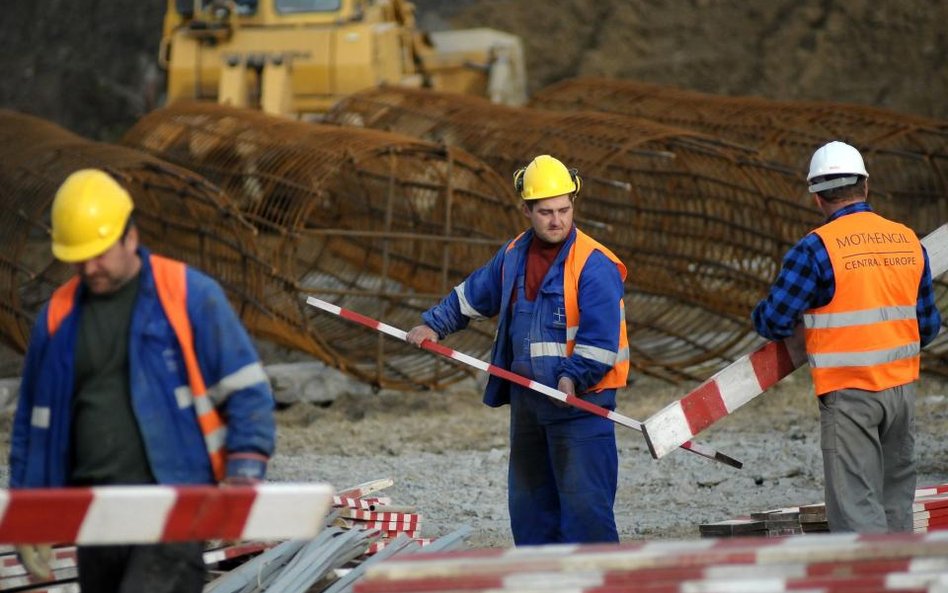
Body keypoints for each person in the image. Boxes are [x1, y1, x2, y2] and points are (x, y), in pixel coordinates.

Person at [9, 169, 277, 591]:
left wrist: (243, 476)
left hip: (173, 507)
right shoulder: (58, 317)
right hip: (96, 515)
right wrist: (27, 514)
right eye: (79, 258)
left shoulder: (189, 294)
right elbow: (33, 424)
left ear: (129, 236)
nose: (89, 267)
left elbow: (247, 390)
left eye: (99, 253)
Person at [407, 155, 630, 545]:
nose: (557, 220)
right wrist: (434, 325)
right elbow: (472, 296)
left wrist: (571, 378)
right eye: (545, 212)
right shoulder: (512, 256)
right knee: (531, 515)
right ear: (525, 209)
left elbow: (599, 345)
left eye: (564, 209)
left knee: (585, 517)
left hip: (580, 409)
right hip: (529, 406)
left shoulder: (594, 265)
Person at [752, 141, 941, 533]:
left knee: (856, 508)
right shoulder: (907, 240)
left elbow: (773, 321)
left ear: (818, 198)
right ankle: (901, 579)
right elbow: (927, 326)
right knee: (896, 502)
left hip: (849, 392)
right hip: (902, 390)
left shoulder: (816, 249)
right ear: (865, 186)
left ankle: (867, 581)